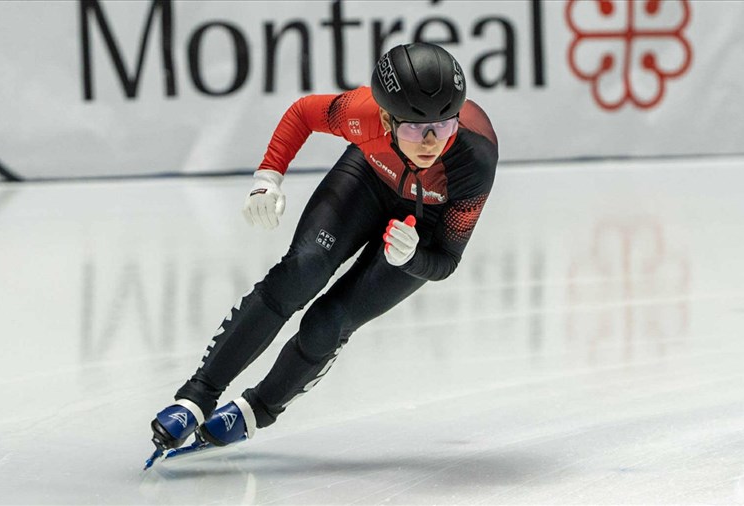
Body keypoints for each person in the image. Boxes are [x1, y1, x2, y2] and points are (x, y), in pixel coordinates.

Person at [149, 42, 499, 452]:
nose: (430, 143)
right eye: (413, 129)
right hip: (367, 178)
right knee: (302, 271)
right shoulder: (361, 112)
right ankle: (197, 395)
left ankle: (256, 409)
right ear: (385, 118)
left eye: (443, 127)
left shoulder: (474, 159)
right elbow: (302, 114)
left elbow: (447, 260)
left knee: (329, 323)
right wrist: (268, 176)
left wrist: (413, 259)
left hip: (426, 223)